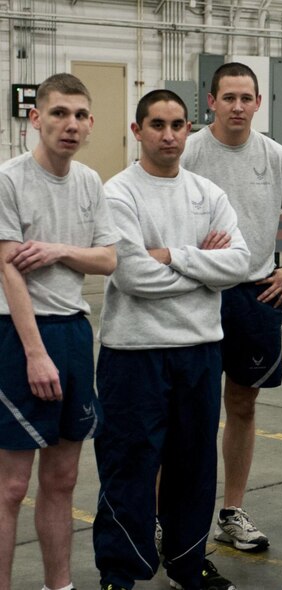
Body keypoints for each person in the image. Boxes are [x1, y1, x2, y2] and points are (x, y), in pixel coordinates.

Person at [92, 89, 249, 590]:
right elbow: (134, 275)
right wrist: (202, 265)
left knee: (193, 465)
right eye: (157, 125)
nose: (168, 135)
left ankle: (186, 562)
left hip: (200, 351)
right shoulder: (117, 193)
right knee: (129, 466)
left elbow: (239, 263)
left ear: (189, 129)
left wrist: (171, 254)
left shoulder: (209, 194)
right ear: (137, 131)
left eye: (178, 125)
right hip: (134, 354)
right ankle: (120, 571)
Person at [181, 61, 282, 553]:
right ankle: (166, 515)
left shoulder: (277, 158)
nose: (238, 106)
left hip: (255, 296)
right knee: (187, 409)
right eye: (228, 97)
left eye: (246, 98)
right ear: (210, 102)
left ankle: (231, 512)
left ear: (259, 103)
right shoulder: (188, 152)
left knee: (242, 404)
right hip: (196, 295)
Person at [0, 73, 118, 590]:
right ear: (35, 118)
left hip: (73, 332)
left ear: (90, 123)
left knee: (63, 478)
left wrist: (55, 251)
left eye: (79, 115)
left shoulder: (91, 182)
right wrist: (34, 353)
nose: (70, 125)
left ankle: (60, 586)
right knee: (11, 485)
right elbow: (8, 269)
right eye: (58, 114)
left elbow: (109, 259)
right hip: (19, 336)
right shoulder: (8, 180)